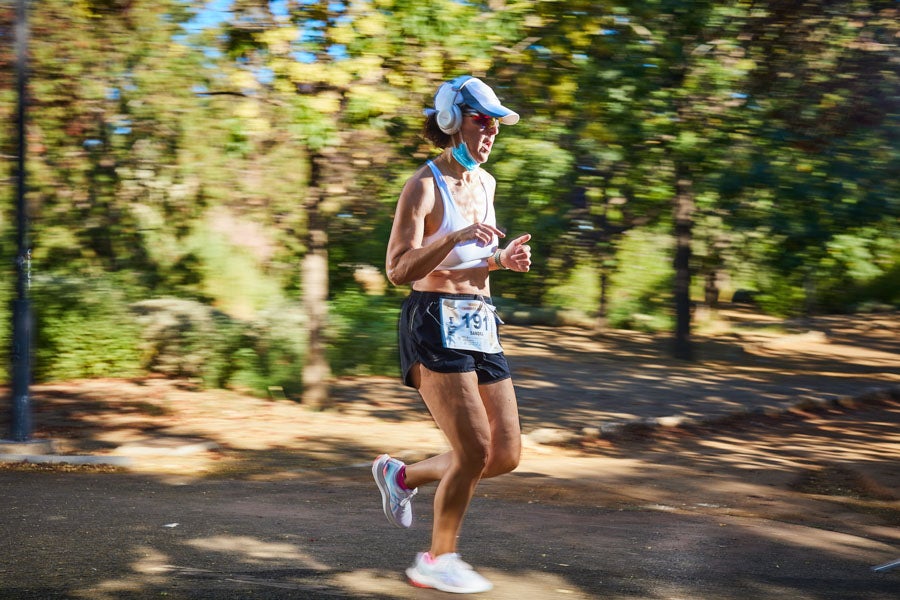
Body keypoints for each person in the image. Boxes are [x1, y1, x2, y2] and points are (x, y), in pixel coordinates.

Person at [372, 75, 531, 594]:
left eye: (496, 124)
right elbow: (397, 269)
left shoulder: (486, 184)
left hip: (480, 320)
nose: (490, 132)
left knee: (504, 454)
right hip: (433, 320)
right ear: (451, 122)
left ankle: (403, 477)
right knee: (473, 449)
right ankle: (436, 560)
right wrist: (454, 234)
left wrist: (502, 261)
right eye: (481, 120)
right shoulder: (422, 185)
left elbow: (476, 264)